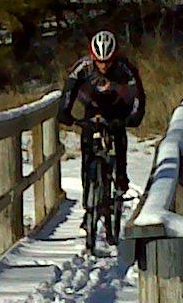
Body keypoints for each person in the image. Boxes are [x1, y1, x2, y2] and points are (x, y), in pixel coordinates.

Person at [59, 30, 146, 194]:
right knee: (87, 142)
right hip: (93, 107)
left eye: (108, 61)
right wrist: (64, 112)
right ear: (93, 57)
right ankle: (88, 192)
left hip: (117, 107)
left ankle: (121, 175)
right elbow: (69, 89)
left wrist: (135, 116)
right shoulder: (83, 66)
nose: (104, 66)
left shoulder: (125, 67)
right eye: (99, 61)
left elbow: (138, 94)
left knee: (118, 132)